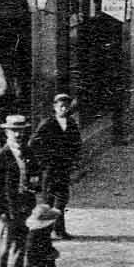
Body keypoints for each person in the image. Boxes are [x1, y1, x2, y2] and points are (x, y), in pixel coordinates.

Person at [0, 114, 38, 267]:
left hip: (25, 208)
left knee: (20, 247)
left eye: (21, 131)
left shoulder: (28, 152)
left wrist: (34, 184)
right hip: (8, 210)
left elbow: (35, 175)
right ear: (6, 132)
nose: (18, 135)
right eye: (14, 131)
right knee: (4, 249)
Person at [28, 93, 83, 239]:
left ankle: (59, 230)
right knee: (48, 200)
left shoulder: (71, 123)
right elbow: (33, 143)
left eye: (66, 106)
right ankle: (45, 232)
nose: (64, 109)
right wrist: (43, 161)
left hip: (64, 168)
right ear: (55, 107)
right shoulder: (48, 123)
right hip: (50, 169)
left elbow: (77, 144)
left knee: (62, 199)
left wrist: (74, 161)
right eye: (61, 106)